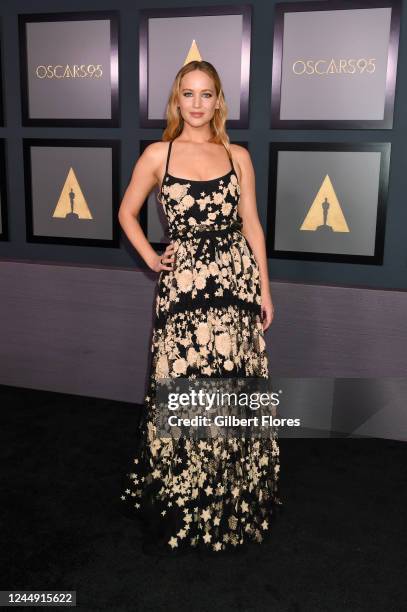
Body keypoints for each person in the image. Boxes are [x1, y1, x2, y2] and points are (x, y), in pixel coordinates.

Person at [118, 60, 282, 555]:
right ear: (176, 99)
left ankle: (228, 491)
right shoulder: (157, 154)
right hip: (184, 289)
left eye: (206, 94)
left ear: (218, 101)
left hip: (234, 283)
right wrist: (151, 256)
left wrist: (265, 291)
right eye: (187, 94)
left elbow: (252, 225)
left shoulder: (238, 156)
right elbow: (126, 212)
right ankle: (184, 494)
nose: (196, 103)